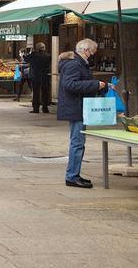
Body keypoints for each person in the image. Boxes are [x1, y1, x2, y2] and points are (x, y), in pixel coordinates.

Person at [58, 38, 108, 189]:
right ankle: (72, 176)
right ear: (86, 50)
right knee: (77, 143)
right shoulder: (74, 64)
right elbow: (70, 84)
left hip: (78, 106)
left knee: (78, 142)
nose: (92, 56)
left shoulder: (76, 63)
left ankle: (74, 175)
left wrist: (100, 86)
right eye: (92, 52)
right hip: (76, 107)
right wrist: (95, 84)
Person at [27, 43, 51, 113]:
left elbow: (26, 59)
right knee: (45, 92)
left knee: (36, 93)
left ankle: (36, 108)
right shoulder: (48, 55)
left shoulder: (34, 55)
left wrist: (31, 52)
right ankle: (45, 108)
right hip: (45, 75)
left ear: (37, 48)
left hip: (35, 76)